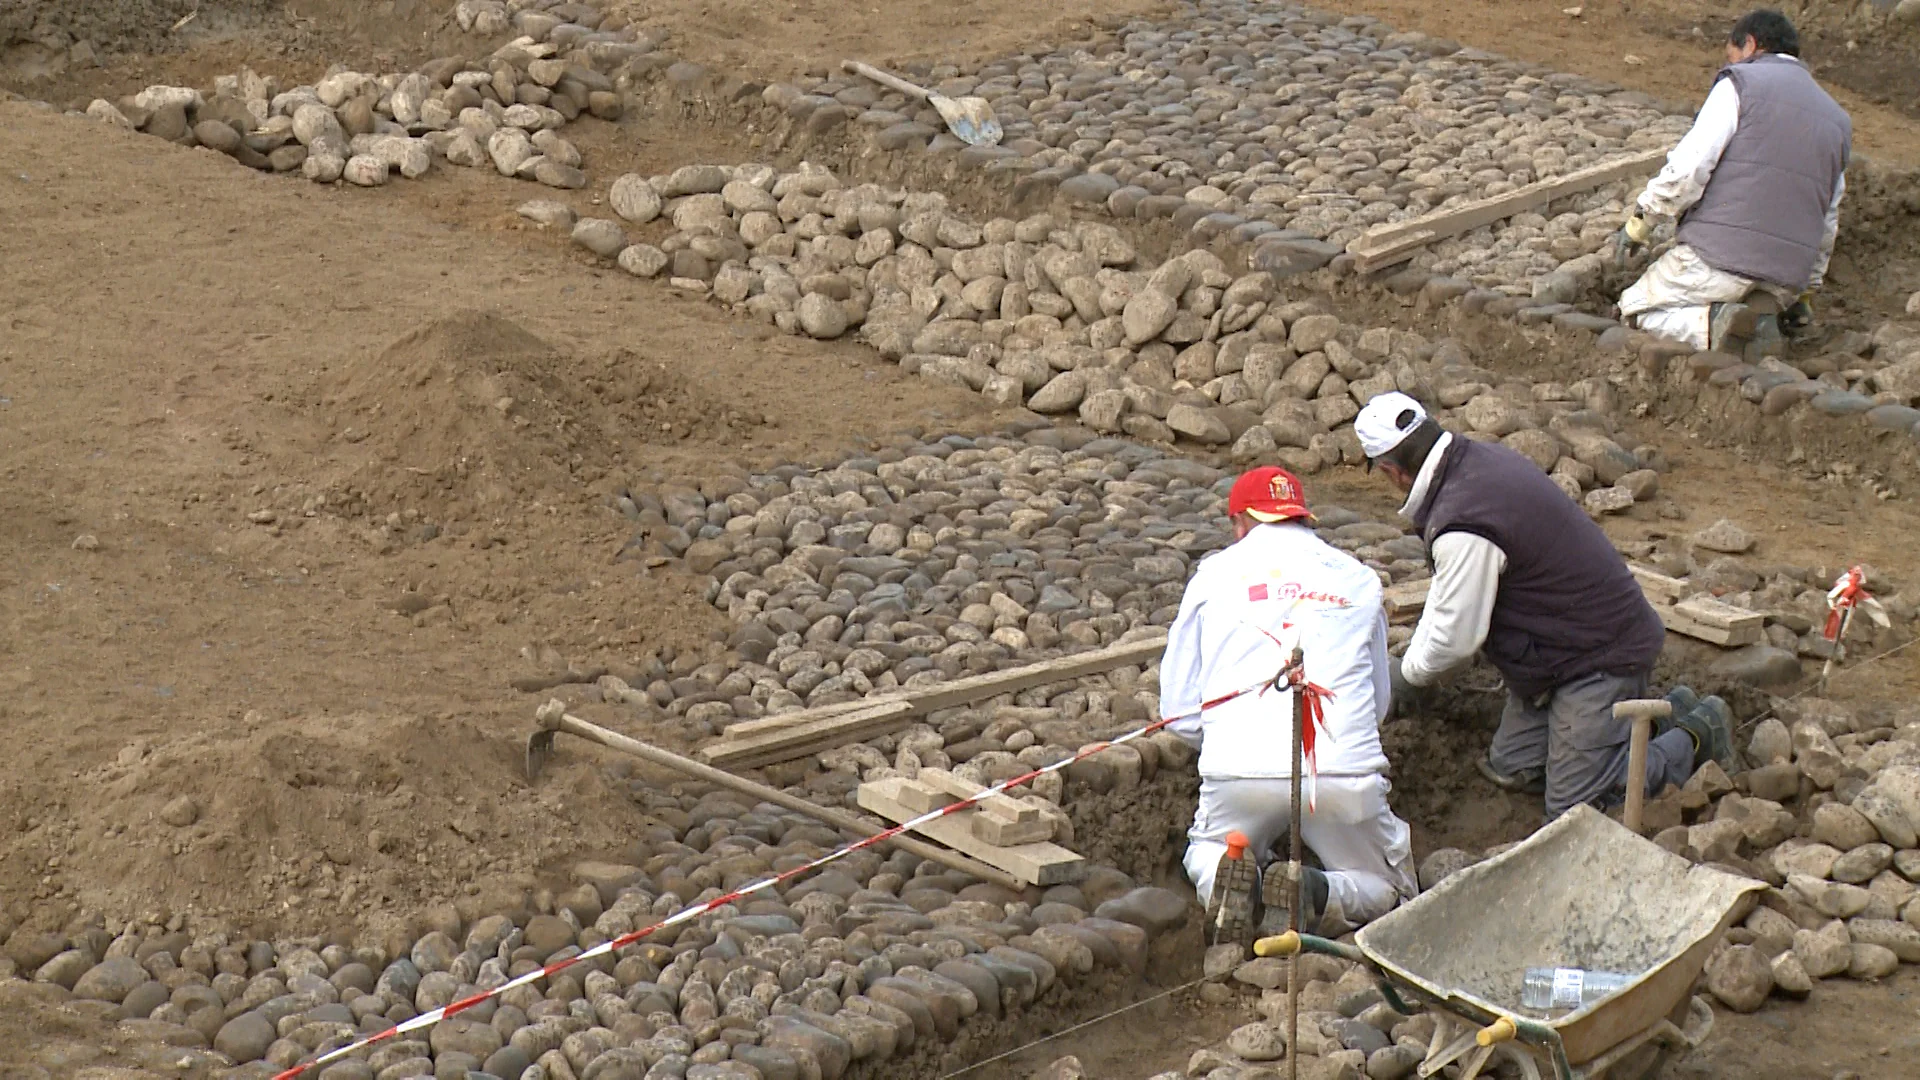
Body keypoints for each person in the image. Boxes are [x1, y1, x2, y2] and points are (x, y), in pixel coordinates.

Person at [1355, 392, 1733, 821]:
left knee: (1576, 809)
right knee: (1514, 770)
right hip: (1556, 652)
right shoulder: (1473, 465)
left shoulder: (1463, 520)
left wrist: (1407, 678)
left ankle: (1697, 731)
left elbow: (1455, 638)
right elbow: (1449, 597)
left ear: (1392, 471)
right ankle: (1652, 720)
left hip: (1598, 656)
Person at [1162, 465, 1417, 944]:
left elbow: (1179, 713)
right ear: (1303, 518)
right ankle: (1321, 891)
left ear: (1240, 523)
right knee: (1385, 883)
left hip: (1237, 771)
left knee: (1211, 847)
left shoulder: (1213, 575)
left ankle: (1233, 875)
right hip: (1340, 771)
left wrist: (1223, 734)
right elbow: (1378, 705)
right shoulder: (1358, 579)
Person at [1616, 9, 1851, 355]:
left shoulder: (1739, 84)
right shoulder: (1837, 120)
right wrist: (1806, 292)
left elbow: (1690, 168)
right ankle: (1761, 316)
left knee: (1636, 308)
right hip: (1785, 279)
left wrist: (1642, 221)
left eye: (1733, 54)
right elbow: (1828, 216)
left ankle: (1716, 325)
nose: (1732, 63)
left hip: (1720, 261)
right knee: (1755, 292)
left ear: (1751, 45)